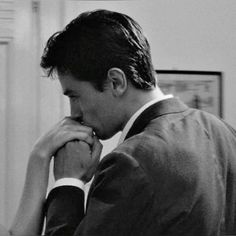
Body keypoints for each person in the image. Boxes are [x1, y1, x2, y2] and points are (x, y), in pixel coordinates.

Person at [6, 9, 236, 236]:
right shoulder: (224, 132)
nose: (73, 113)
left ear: (116, 82)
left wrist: (68, 181)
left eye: (74, 96)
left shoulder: (132, 161)